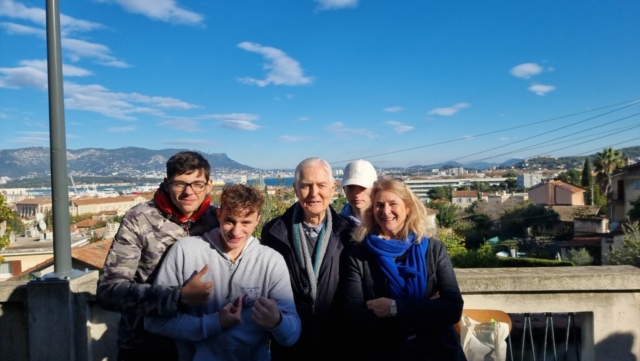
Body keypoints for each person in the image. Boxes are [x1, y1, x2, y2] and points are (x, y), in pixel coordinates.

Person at [145, 184, 301, 361]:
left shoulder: (271, 262)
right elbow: (154, 321)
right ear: (218, 215)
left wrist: (277, 322)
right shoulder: (185, 252)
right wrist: (214, 323)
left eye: (245, 223)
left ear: (258, 220)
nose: (236, 232)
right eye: (230, 221)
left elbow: (291, 335)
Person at [97, 151, 219, 361]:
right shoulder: (139, 219)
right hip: (148, 345)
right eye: (180, 183)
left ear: (209, 185)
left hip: (205, 344)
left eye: (197, 184)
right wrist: (177, 297)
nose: (189, 192)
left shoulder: (218, 219)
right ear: (166, 184)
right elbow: (109, 291)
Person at [344, 177, 466, 360]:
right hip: (384, 352)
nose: (386, 211)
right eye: (379, 205)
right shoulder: (359, 255)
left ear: (407, 208)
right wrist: (428, 309)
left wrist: (395, 308)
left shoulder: (434, 250)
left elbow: (453, 309)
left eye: (393, 203)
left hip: (438, 352)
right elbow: (354, 316)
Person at [261, 157, 353, 360]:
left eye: (321, 185)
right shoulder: (275, 233)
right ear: (295, 189)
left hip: (338, 343)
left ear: (333, 188)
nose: (314, 194)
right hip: (290, 344)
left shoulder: (350, 234)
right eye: (306, 186)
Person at [340, 159, 378, 226]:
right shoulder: (336, 225)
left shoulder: (385, 221)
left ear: (374, 189)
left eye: (363, 187)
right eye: (351, 187)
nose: (356, 194)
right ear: (344, 189)